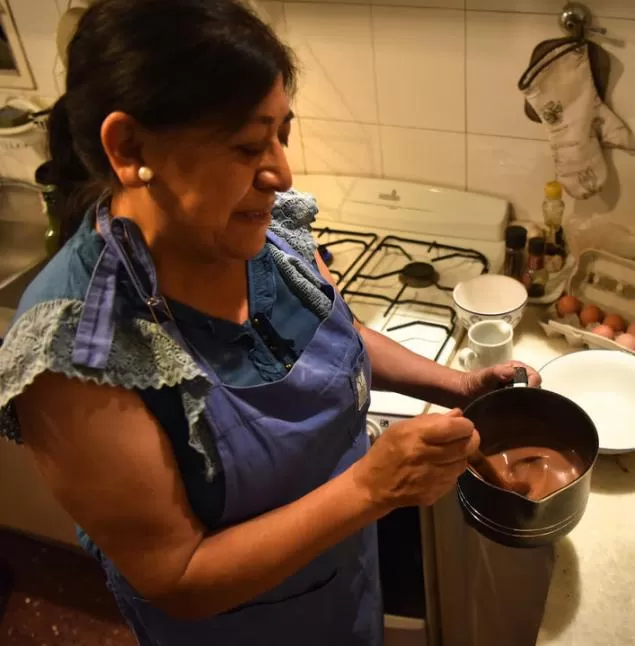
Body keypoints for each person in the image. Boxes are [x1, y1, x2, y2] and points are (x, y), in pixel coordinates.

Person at [0, 1, 539, 644]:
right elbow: (176, 576)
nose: (281, 172)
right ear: (130, 147)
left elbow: (329, 334)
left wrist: (453, 387)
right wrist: (371, 489)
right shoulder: (75, 354)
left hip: (343, 587)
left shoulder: (264, 231)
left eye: (282, 133)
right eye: (249, 145)